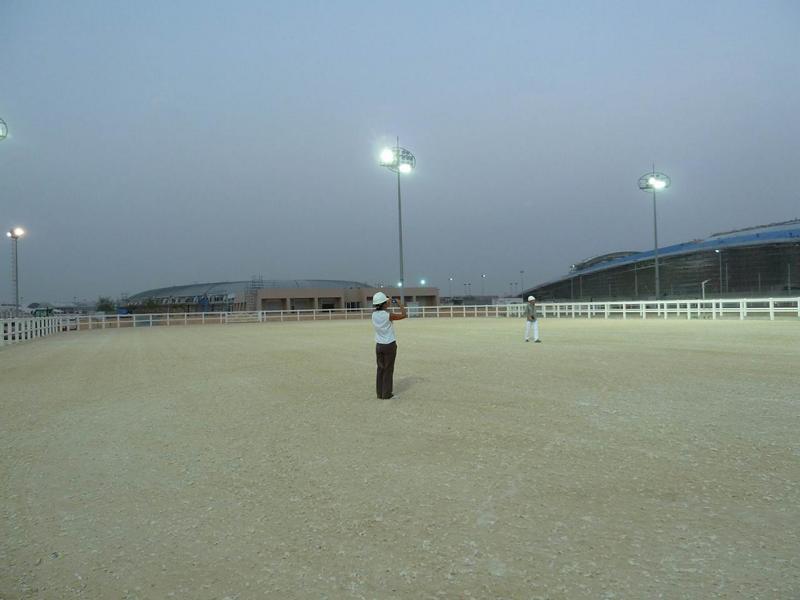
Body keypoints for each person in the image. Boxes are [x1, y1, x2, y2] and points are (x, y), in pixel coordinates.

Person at [371, 291, 407, 399]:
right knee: (388, 370)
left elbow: (384, 308)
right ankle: (386, 394)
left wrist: (388, 301)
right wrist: (400, 304)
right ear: (383, 303)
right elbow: (404, 315)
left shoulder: (373, 314)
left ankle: (380, 393)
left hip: (379, 345)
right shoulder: (388, 315)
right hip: (389, 345)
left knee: (380, 369)